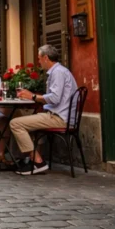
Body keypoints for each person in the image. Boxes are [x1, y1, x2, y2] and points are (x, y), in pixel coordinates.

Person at [11, 44, 78, 176]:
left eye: (39, 58)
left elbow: (55, 98)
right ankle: (30, 159)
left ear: (46, 58)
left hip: (59, 118)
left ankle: (37, 162)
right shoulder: (61, 71)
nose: (39, 62)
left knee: (15, 123)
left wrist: (33, 96)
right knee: (28, 122)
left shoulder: (58, 72)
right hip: (60, 115)